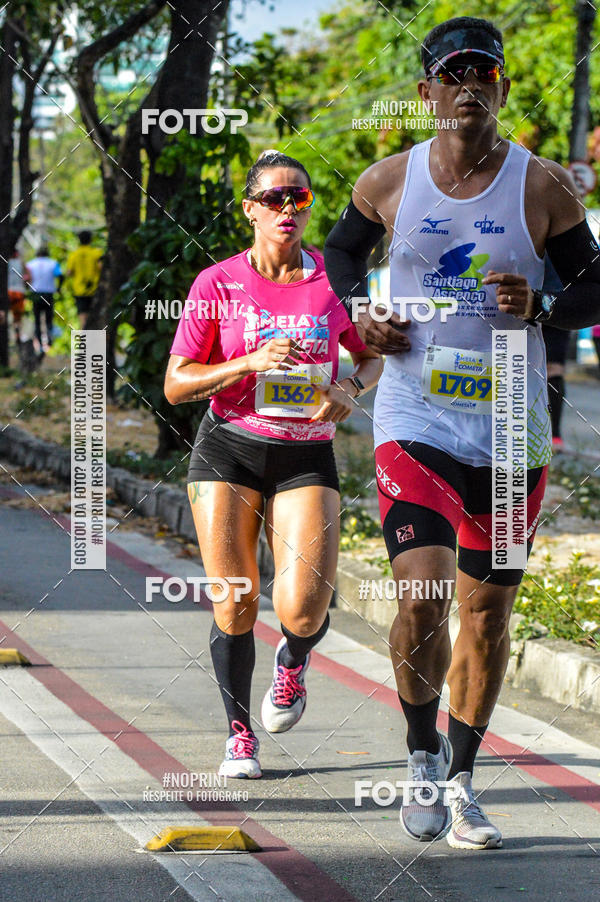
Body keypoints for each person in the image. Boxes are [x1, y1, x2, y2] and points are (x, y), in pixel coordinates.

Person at [325, 15, 600, 849]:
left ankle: (463, 779)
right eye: (453, 73)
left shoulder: (545, 186)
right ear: (427, 92)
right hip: (417, 416)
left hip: (512, 423)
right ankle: (418, 759)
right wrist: (360, 317)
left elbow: (594, 290)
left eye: (484, 71)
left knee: (486, 617)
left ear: (504, 87)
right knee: (424, 591)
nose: (469, 84)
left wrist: (545, 307)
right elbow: (338, 261)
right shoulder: (388, 180)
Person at [164, 149, 382, 779]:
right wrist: (247, 363)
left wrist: (351, 390)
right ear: (251, 210)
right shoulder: (218, 283)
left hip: (305, 453)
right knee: (234, 599)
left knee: (305, 609)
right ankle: (239, 735)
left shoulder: (330, 282)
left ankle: (292, 663)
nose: (288, 209)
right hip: (228, 447)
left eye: (301, 199)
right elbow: (178, 384)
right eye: (276, 199)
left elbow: (368, 356)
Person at [541, 258, 568, 449]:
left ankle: (554, 434)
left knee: (552, 369)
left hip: (550, 303)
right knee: (553, 369)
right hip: (559, 303)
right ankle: (554, 435)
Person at [27, 245, 63, 351]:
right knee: (49, 318)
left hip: (35, 293)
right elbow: (61, 276)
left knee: (37, 319)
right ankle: (49, 342)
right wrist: (59, 288)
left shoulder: (30, 264)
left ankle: (40, 344)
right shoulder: (53, 263)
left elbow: (26, 278)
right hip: (48, 293)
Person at [65, 230, 103, 328]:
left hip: (79, 290)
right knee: (96, 318)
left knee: (83, 319)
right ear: (91, 239)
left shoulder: (74, 254)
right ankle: (95, 342)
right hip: (95, 289)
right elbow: (101, 267)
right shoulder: (96, 253)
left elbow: (69, 272)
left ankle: (84, 341)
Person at [7, 248, 30, 345]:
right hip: (19, 292)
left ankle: (7, 335)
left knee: (4, 314)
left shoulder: (6, 262)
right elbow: (28, 277)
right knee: (17, 316)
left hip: (7, 292)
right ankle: (17, 334)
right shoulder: (22, 263)